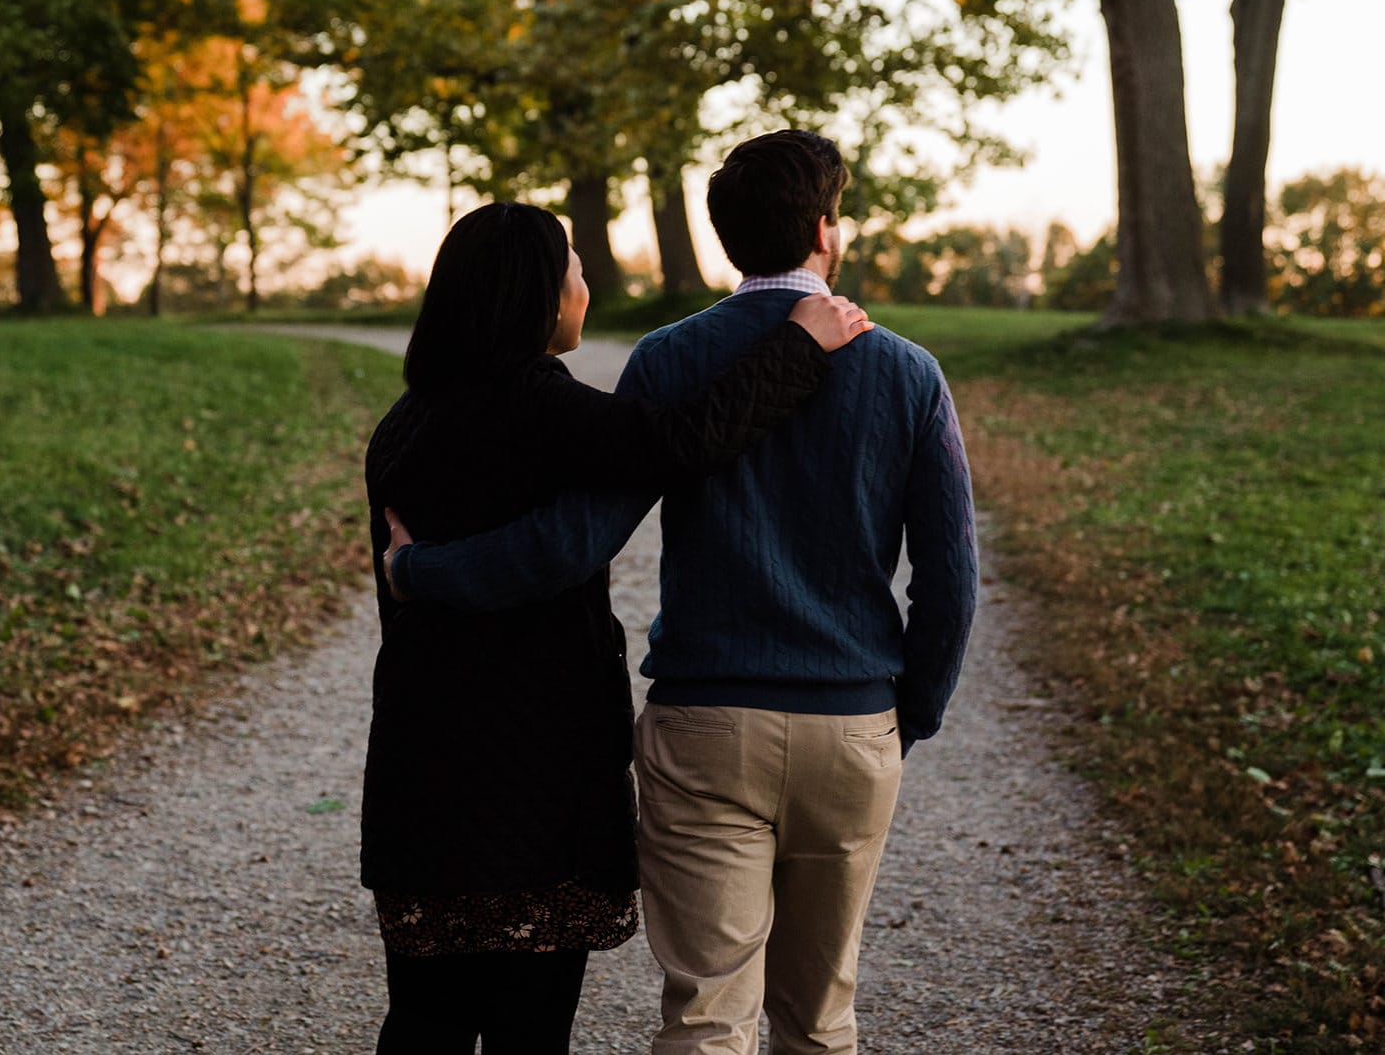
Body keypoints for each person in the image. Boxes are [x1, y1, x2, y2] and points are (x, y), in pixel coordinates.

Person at [385, 130, 978, 1055]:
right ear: (826, 230)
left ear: (724, 235)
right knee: (822, 1016)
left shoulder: (666, 359)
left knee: (705, 1014)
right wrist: (910, 712)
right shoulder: (907, 371)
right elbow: (950, 577)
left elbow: (574, 540)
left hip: (706, 725)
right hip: (852, 724)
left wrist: (420, 570)